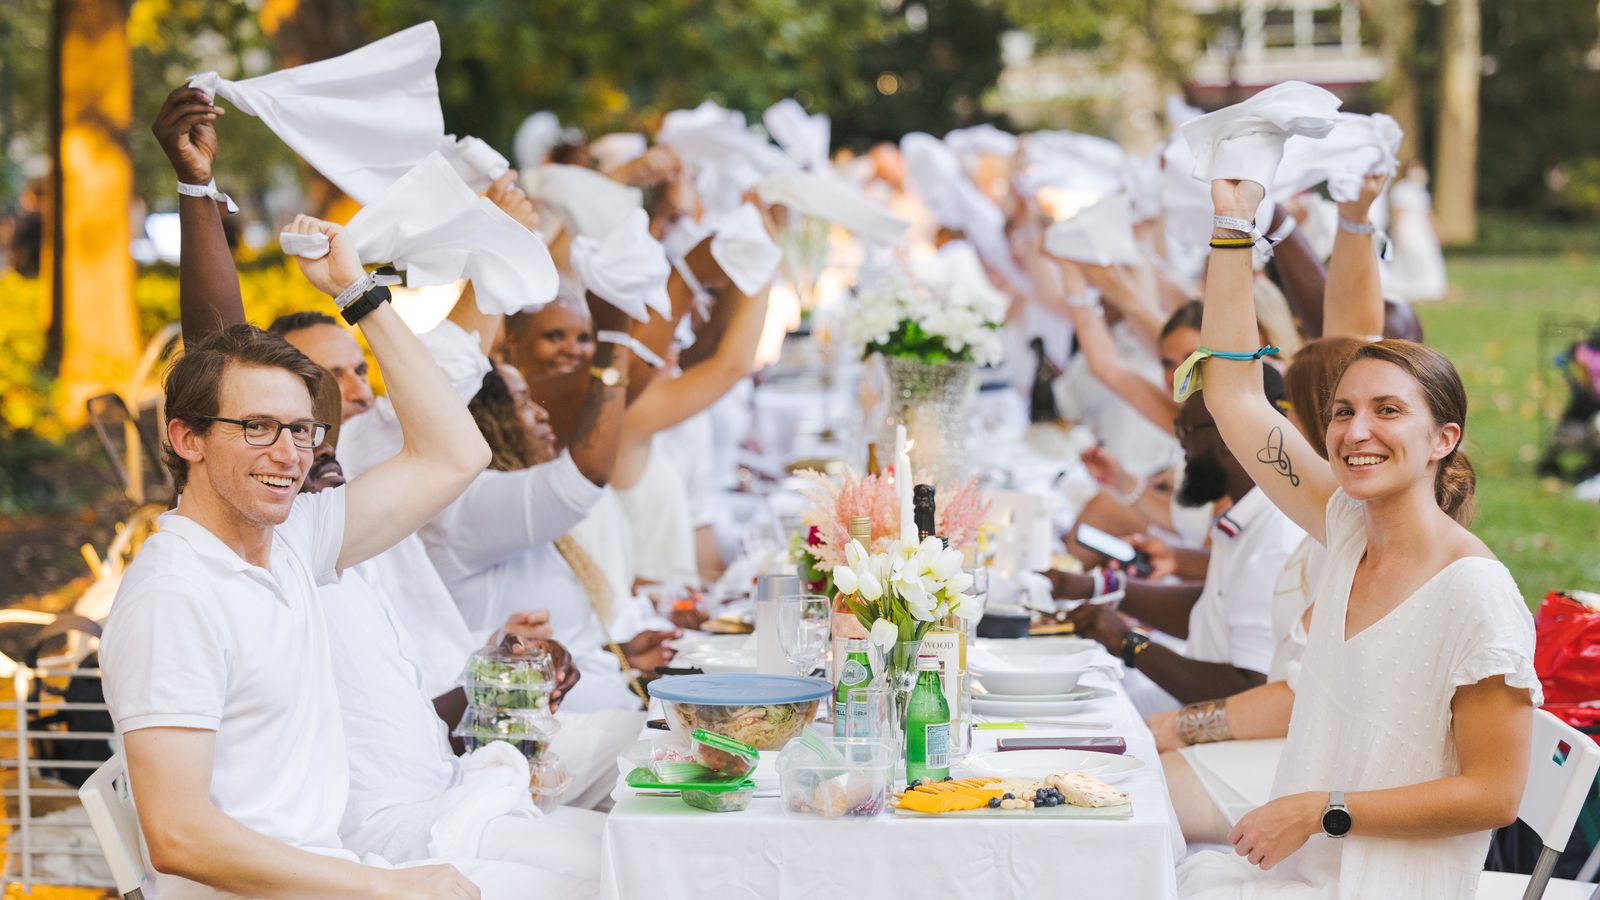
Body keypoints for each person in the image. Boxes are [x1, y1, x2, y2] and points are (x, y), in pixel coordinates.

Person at [99, 211, 494, 897]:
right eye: (257, 428)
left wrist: (357, 292)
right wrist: (385, 888)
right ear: (188, 440)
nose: (289, 454)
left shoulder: (289, 543)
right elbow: (179, 836)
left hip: (333, 873)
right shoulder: (174, 595)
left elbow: (458, 454)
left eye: (302, 429)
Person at [1175, 174, 1537, 899]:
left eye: (1386, 410)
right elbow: (1234, 394)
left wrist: (1322, 811)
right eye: (1341, 411)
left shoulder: (1475, 593)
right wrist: (1233, 223)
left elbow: (1496, 795)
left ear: (1443, 438)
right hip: (1307, 873)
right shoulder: (1345, 526)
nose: (1355, 430)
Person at [299, 375, 603, 896]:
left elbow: (413, 726)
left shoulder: (358, 560)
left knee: (632, 845)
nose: (324, 444)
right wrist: (359, 295)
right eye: (281, 426)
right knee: (624, 868)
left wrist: (503, 677)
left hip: (453, 790)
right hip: (399, 834)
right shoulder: (281, 559)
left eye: (319, 426)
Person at [1146, 335, 1361, 843]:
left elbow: (1288, 696)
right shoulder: (1324, 521)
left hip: (1324, 769)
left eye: (1285, 412)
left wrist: (1179, 726)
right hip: (1294, 742)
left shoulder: (1329, 529)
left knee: (1138, 794)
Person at [1055, 367, 1304, 715]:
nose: (1182, 444)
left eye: (1187, 429)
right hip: (1198, 710)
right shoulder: (1251, 512)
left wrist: (1129, 644)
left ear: (1232, 433)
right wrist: (1099, 586)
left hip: (1231, 742)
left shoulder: (1276, 537)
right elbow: (1211, 610)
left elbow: (1249, 688)